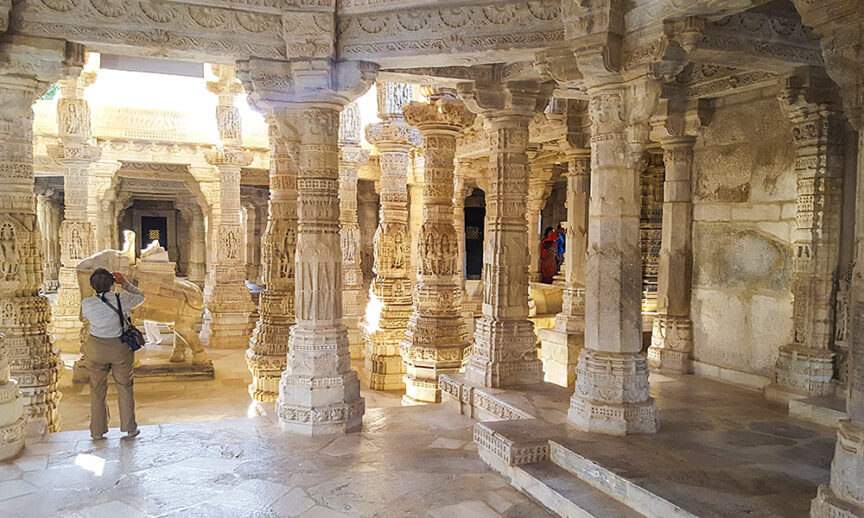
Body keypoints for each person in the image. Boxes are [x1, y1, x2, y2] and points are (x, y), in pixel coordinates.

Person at [80, 268, 145, 440]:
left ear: (92, 286)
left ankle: (97, 430)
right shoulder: (121, 299)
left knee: (97, 389)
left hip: (95, 348)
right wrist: (124, 283)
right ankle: (130, 428)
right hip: (119, 347)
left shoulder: (86, 304)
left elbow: (87, 318)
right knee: (124, 386)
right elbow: (141, 297)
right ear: (111, 284)